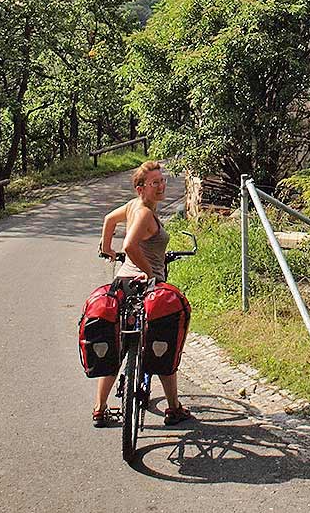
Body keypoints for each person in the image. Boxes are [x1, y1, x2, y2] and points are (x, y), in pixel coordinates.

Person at [93, 158, 192, 427]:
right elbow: (131, 244)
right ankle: (173, 408)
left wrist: (107, 250)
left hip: (121, 283)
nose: (161, 186)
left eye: (162, 180)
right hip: (148, 286)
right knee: (162, 338)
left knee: (120, 343)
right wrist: (150, 272)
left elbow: (108, 220)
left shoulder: (133, 206)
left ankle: (100, 409)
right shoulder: (145, 213)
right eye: (154, 183)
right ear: (141, 188)